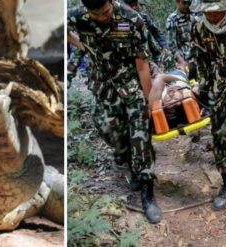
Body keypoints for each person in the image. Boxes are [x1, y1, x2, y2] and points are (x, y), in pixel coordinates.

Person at [68, 0, 161, 223]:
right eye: (96, 15)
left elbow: (142, 64)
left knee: (140, 135)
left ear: (112, 2)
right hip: (104, 85)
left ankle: (147, 193)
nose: (103, 18)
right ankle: (129, 163)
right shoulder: (76, 16)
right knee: (110, 131)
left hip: (131, 83)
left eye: (106, 12)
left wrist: (149, 101)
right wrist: (81, 46)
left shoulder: (131, 19)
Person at [189, 0, 226, 210]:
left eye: (218, 12)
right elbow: (201, 60)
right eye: (209, 13)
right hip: (218, 87)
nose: (213, 17)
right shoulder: (198, 27)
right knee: (218, 137)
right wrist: (201, 86)